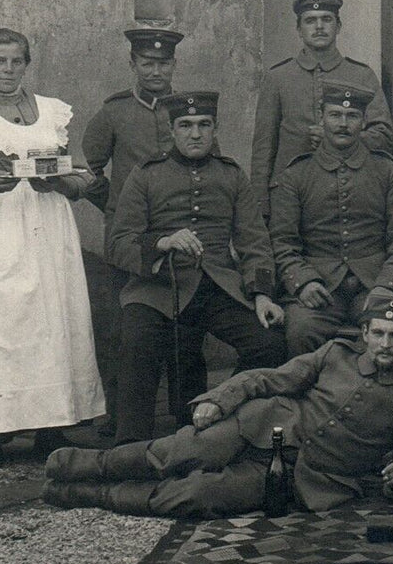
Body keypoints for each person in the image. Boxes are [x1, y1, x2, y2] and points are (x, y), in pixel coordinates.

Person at [44, 291, 393, 517]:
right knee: (178, 451)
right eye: (378, 333)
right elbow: (265, 378)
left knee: (196, 496)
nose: (385, 343)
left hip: (302, 478)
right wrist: (218, 400)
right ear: (364, 333)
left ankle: (87, 495)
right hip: (259, 425)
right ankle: (79, 464)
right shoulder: (334, 354)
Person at [0, 28, 105, 467]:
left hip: (49, 233)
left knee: (52, 326)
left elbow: (84, 177)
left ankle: (51, 428)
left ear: (27, 64)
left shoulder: (53, 113)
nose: (9, 70)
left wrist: (60, 181)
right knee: (2, 332)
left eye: (17, 62)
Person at [107, 92, 287, 445]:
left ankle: (220, 417)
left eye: (204, 125)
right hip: (155, 289)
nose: (195, 134)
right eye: (185, 126)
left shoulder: (232, 175)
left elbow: (254, 242)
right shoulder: (145, 175)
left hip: (217, 286)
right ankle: (130, 449)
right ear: (172, 131)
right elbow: (117, 243)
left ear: (215, 129)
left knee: (269, 344)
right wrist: (162, 243)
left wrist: (263, 294)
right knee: (136, 341)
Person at [81, 27, 208, 432]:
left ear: (174, 64)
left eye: (163, 63)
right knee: (126, 327)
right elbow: (91, 168)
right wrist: (114, 207)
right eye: (147, 63)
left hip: (180, 235)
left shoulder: (187, 113)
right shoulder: (114, 112)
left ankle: (185, 416)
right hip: (132, 238)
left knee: (185, 327)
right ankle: (122, 418)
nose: (155, 70)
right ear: (132, 64)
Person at [270, 80, 393, 355]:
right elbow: (282, 241)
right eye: (335, 115)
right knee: (301, 329)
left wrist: (387, 285)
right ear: (321, 118)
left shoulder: (387, 170)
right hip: (320, 285)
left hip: (376, 283)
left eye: (352, 116)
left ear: (364, 122)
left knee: (388, 332)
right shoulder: (296, 174)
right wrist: (303, 282)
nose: (343, 123)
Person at [251, 0, 393, 218]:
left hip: (348, 190)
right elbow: (263, 148)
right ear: (299, 30)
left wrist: (344, 139)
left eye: (326, 19)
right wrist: (260, 203)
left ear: (338, 26)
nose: (319, 27)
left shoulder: (361, 75)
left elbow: (384, 134)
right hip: (288, 195)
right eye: (310, 21)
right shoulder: (278, 77)